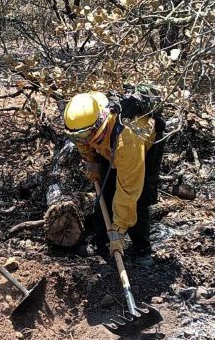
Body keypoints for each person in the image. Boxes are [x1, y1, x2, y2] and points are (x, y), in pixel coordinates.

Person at [63, 91, 164, 267]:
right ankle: (103, 243)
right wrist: (92, 162)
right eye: (76, 136)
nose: (81, 140)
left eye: (84, 136)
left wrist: (118, 231)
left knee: (138, 198)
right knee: (105, 191)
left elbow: (128, 191)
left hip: (142, 147)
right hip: (107, 144)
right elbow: (83, 143)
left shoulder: (128, 141)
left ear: (98, 126)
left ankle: (142, 250)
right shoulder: (84, 126)